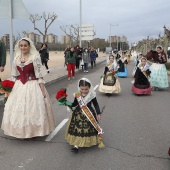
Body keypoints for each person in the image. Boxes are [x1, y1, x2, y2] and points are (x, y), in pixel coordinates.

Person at [1, 38, 55, 138]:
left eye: (25, 45)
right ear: (19, 47)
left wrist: (42, 90)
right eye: (21, 45)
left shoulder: (34, 58)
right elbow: (14, 75)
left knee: (33, 108)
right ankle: (20, 132)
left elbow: (39, 75)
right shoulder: (16, 59)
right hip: (19, 86)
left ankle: (33, 132)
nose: (23, 47)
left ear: (29, 46)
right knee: (18, 109)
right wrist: (8, 89)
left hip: (33, 85)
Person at [65, 78, 104, 153]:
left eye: (86, 89)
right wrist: (67, 103)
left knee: (87, 129)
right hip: (78, 113)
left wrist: (98, 113)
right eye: (82, 89)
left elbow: (96, 104)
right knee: (77, 129)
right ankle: (76, 145)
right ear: (79, 87)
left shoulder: (92, 95)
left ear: (89, 87)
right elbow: (75, 104)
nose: (84, 91)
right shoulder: (77, 95)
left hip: (89, 114)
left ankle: (88, 141)